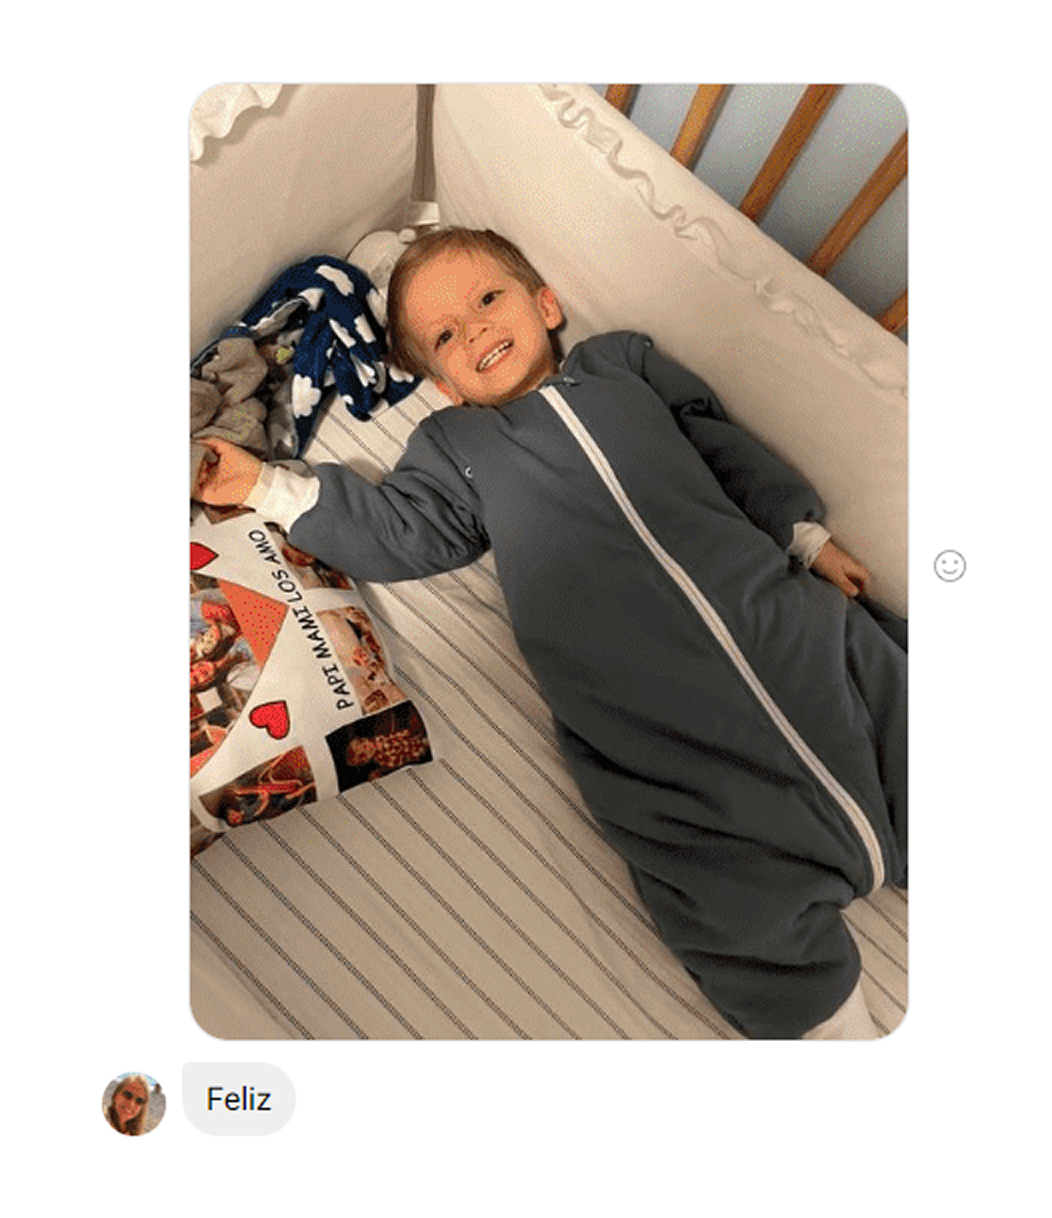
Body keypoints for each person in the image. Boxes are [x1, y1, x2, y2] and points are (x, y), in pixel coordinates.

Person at [194, 227, 907, 1040]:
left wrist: (802, 534)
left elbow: (722, 445)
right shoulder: (456, 446)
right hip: (665, 738)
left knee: (902, 702)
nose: (476, 331)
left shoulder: (623, 366)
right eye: (446, 337)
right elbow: (401, 532)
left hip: (791, 632)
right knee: (724, 896)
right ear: (444, 387)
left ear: (546, 303)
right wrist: (267, 486)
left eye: (487, 299)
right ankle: (833, 1034)